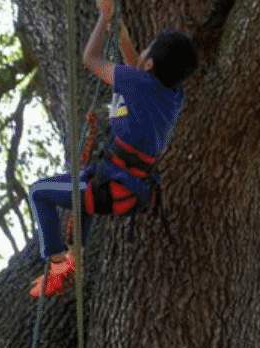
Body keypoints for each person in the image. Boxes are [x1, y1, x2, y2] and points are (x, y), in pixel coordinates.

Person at [24, 0, 198, 297]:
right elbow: (138, 68)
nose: (141, 53)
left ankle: (57, 265)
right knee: (83, 192)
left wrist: (103, 19)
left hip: (110, 187)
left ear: (149, 65)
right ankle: (75, 256)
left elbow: (90, 59)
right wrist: (119, 31)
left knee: (39, 193)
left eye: (146, 49)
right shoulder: (173, 96)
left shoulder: (139, 83)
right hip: (120, 188)